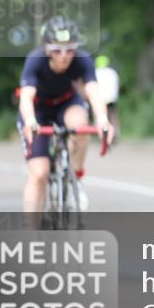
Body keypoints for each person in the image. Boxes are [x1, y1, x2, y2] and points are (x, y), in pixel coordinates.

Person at [17, 16, 115, 222]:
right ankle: (32, 235)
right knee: (39, 174)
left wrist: (103, 120)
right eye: (56, 50)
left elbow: (94, 93)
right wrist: (30, 122)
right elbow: (26, 97)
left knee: (80, 124)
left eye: (70, 49)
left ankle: (76, 176)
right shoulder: (35, 60)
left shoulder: (82, 60)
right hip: (38, 110)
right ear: (46, 48)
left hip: (66, 103)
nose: (63, 56)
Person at [94, 55, 120, 142]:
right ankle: (115, 133)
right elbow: (116, 86)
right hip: (111, 98)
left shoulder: (96, 72)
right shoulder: (112, 72)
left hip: (100, 99)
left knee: (99, 115)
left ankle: (100, 134)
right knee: (113, 116)